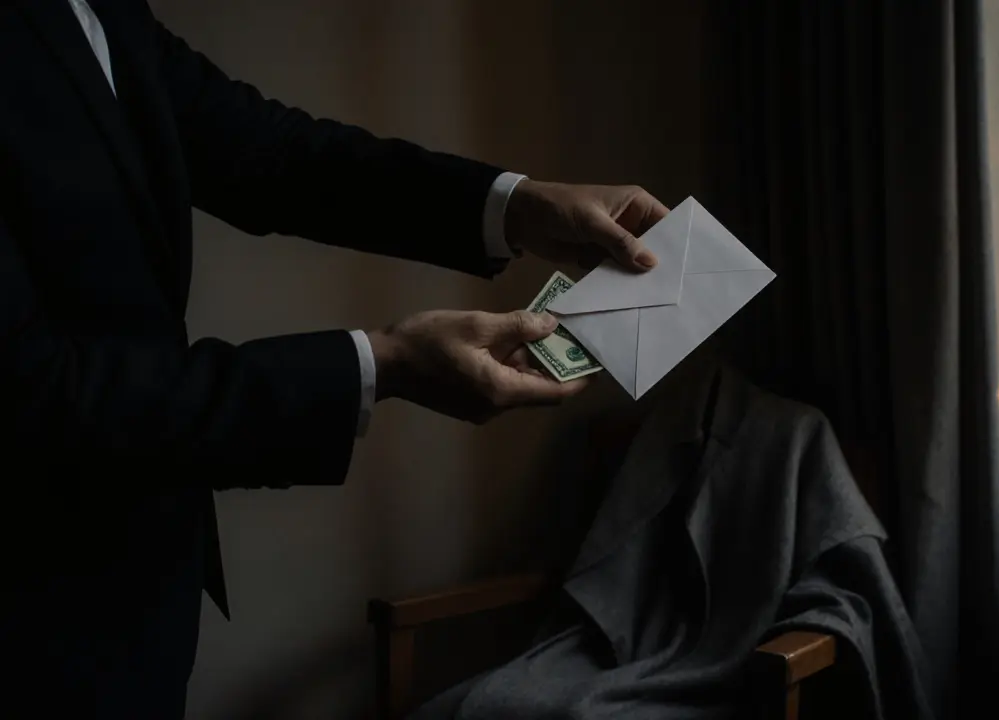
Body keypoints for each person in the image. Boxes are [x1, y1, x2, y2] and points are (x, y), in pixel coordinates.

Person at [0, 0, 668, 716]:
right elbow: (34, 393)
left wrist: (516, 206)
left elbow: (273, 152)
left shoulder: (102, 10)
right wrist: (382, 364)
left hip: (143, 591)